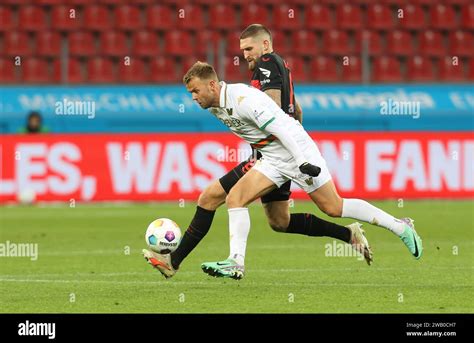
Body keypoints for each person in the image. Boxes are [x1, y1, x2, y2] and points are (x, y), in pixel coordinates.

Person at [143, 25, 373, 279]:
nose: (245, 55)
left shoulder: (266, 64)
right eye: (242, 50)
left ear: (264, 45)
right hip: (273, 151)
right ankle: (348, 234)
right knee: (279, 221)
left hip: (272, 155)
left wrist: (287, 143)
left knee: (212, 197)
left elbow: (272, 108)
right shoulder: (279, 66)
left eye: (248, 49)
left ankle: (181, 262)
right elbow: (295, 110)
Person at [170, 61, 422, 280]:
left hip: (296, 150)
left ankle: (400, 227)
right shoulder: (214, 104)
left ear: (212, 85)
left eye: (195, 91)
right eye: (191, 92)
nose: (193, 97)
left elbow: (282, 130)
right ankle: (235, 262)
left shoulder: (243, 100)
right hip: (272, 157)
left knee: (334, 207)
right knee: (236, 197)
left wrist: (301, 161)